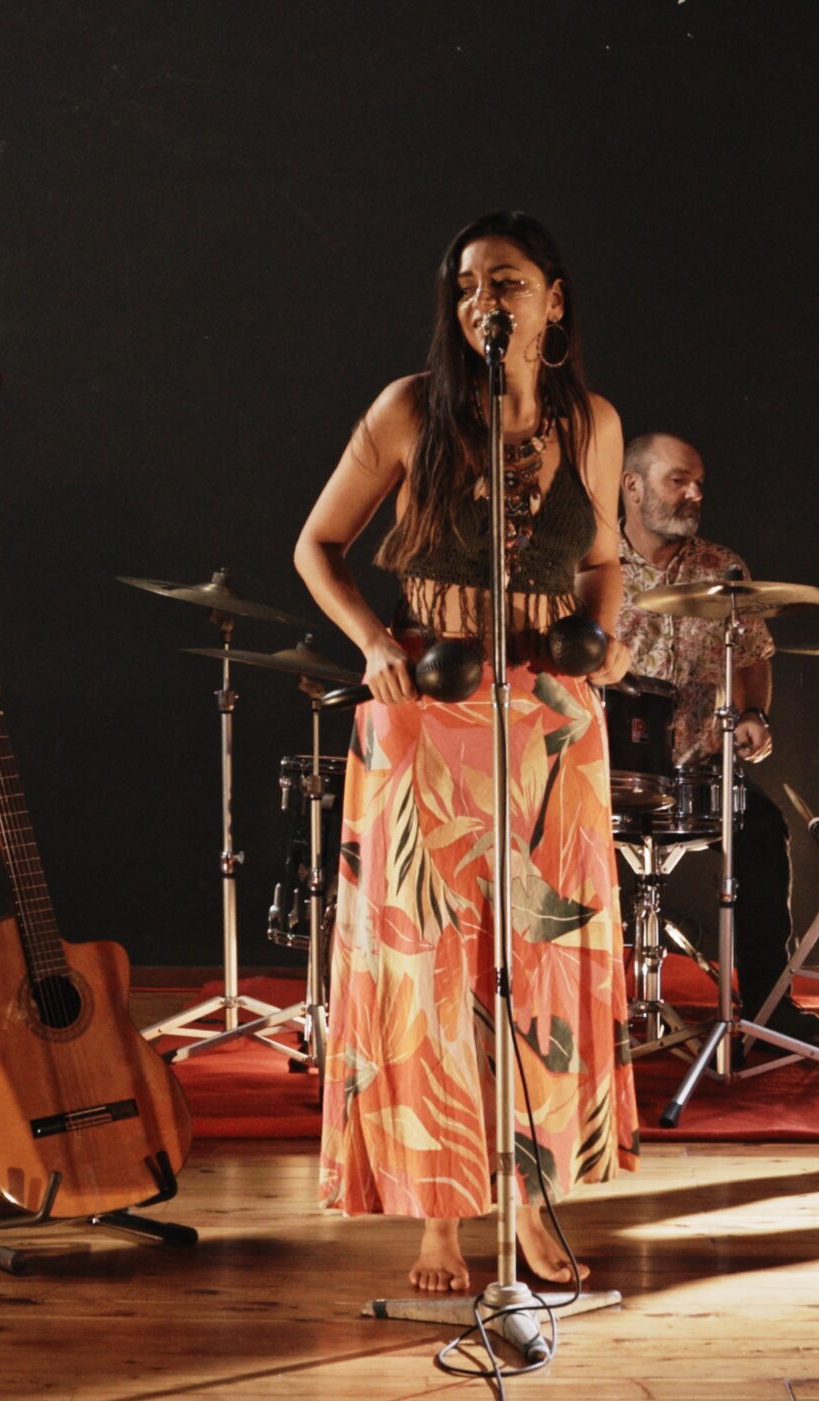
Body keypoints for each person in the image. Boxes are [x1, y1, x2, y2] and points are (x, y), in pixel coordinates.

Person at [295, 212, 640, 1294]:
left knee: (540, 961)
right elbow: (316, 546)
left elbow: (604, 560)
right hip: (428, 716)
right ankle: (440, 1220)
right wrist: (372, 645)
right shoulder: (410, 410)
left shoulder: (592, 423)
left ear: (554, 301)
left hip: (548, 720)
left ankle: (530, 1196)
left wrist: (603, 642)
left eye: (505, 282)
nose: (480, 302)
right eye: (464, 286)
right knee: (430, 967)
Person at [610, 432, 819, 1044]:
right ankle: (575, 1007)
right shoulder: (591, 564)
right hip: (607, 770)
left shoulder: (721, 568)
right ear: (632, 486)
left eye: (699, 483)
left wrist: (754, 712)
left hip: (699, 769)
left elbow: (753, 655)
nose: (695, 494)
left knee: (763, 834)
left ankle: (766, 1006)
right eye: (678, 480)